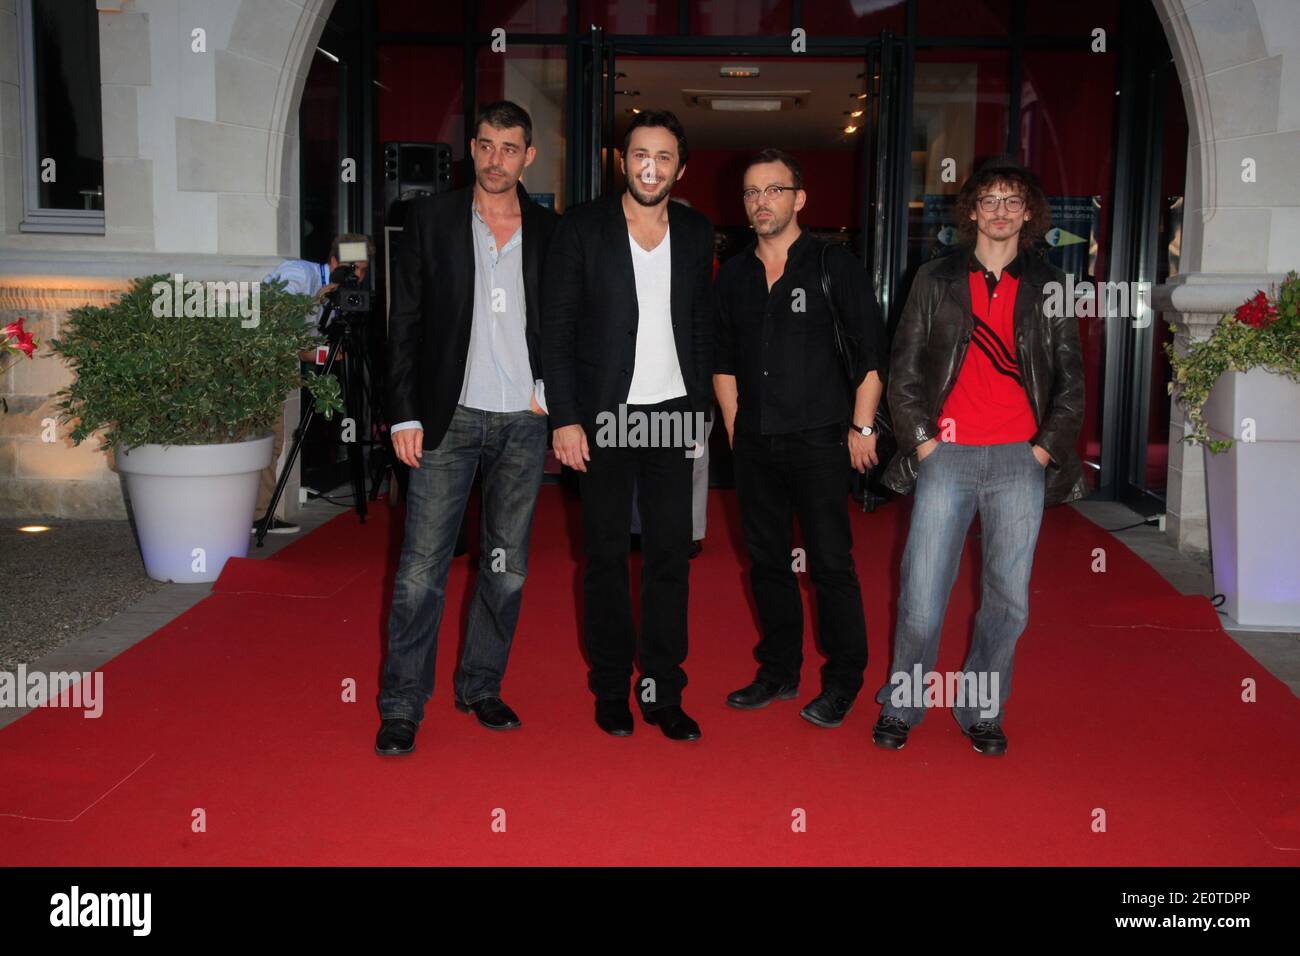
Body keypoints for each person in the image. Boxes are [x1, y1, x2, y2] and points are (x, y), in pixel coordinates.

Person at [871, 156, 1085, 756]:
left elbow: (1071, 381)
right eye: (987, 200)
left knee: (1008, 601)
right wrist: (923, 442)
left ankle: (982, 709)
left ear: (1028, 215)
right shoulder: (934, 279)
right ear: (970, 211)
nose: (999, 211)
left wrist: (1044, 450)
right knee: (920, 595)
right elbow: (904, 370)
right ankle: (904, 703)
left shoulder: (1050, 287)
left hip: (1021, 460)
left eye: (1011, 201)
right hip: (948, 457)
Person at [375, 101, 560, 756]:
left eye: (510, 148)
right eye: (485, 145)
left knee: (505, 570)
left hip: (522, 423)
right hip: (446, 418)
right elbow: (405, 326)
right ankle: (401, 704)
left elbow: (564, 325)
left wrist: (553, 395)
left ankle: (481, 684)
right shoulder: (430, 220)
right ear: (471, 150)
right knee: (420, 570)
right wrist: (403, 411)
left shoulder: (549, 230)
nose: (496, 159)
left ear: (527, 156)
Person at [542, 109, 714, 741]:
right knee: (607, 556)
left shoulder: (696, 232)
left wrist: (698, 415)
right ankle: (612, 686)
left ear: (679, 168)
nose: (651, 165)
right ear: (625, 160)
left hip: (671, 416)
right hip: (605, 418)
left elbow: (700, 325)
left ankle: (663, 690)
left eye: (664, 156)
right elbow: (556, 331)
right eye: (641, 153)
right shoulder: (583, 227)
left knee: (671, 557)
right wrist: (566, 418)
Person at [713, 148, 886, 728]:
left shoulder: (834, 265)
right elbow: (723, 358)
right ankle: (778, 670)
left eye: (773, 190)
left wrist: (862, 427)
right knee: (766, 563)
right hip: (756, 443)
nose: (761, 202)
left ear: (799, 199)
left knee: (831, 565)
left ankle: (843, 681)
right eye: (751, 193)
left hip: (819, 441)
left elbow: (869, 354)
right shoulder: (733, 273)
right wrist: (737, 427)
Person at [257, 234, 373, 533]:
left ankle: (259, 514)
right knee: (266, 440)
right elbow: (273, 316)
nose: (354, 274)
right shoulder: (300, 273)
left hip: (279, 363)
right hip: (257, 363)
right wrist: (315, 300)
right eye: (348, 266)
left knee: (272, 440)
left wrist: (334, 355)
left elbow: (305, 349)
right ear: (332, 262)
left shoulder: (343, 298)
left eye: (360, 268)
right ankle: (256, 516)